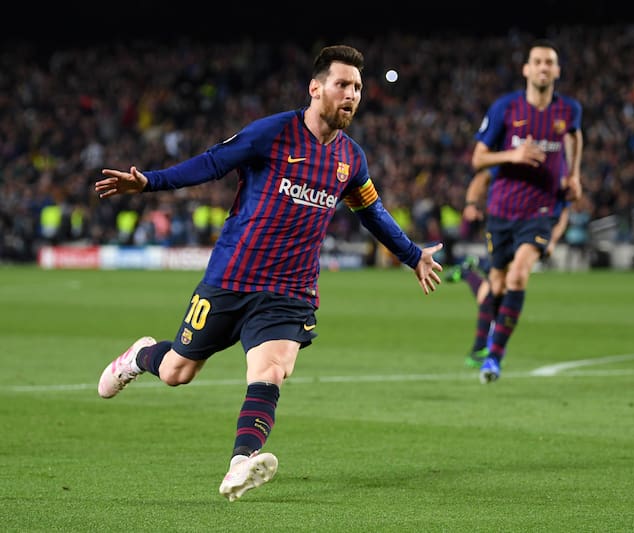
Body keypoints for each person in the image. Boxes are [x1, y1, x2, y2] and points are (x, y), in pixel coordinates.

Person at [94, 44, 443, 502]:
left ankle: (241, 462)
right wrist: (150, 181)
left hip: (291, 290)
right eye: (342, 85)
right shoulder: (272, 133)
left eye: (357, 87)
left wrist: (413, 254)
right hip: (231, 277)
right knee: (178, 371)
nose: (352, 95)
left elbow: (371, 211)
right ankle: (141, 356)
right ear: (315, 88)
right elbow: (211, 163)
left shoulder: (351, 159)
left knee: (272, 370)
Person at [470, 38, 583, 384]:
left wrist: (575, 173)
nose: (544, 68)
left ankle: (494, 358)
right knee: (498, 283)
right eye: (537, 62)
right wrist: (512, 156)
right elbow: (478, 158)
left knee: (519, 275)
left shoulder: (569, 110)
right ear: (527, 69)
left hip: (541, 209)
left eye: (550, 62)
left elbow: (575, 138)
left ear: (557, 71)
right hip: (502, 209)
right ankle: (487, 335)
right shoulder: (505, 108)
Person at [447, 168, 570, 368]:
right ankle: (483, 346)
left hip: (531, 228)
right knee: (493, 289)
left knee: (505, 283)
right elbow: (483, 173)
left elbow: (565, 205)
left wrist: (553, 240)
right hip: (503, 224)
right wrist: (473, 203)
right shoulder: (512, 155)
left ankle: (483, 346)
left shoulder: (555, 165)